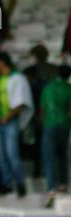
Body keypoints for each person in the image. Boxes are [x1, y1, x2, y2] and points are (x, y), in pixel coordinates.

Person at [0, 51, 33, 197]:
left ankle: (20, 183)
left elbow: (20, 103)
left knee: (12, 153)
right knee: (1, 154)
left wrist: (8, 117)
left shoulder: (17, 78)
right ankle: (6, 182)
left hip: (9, 121)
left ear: (2, 62)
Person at [40, 65, 71, 208]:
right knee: (62, 155)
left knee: (49, 157)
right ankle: (63, 184)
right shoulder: (69, 89)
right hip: (64, 124)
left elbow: (42, 110)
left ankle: (51, 187)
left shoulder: (47, 88)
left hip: (49, 124)